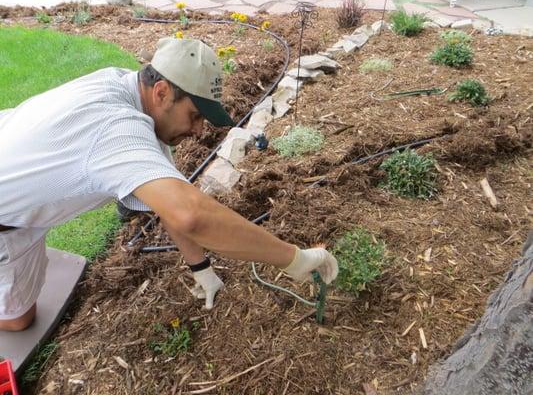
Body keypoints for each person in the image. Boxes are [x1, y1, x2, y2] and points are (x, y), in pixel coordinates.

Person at [0, 38, 338, 332]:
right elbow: (191, 215)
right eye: (195, 115)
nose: (199, 131)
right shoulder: (118, 130)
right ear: (162, 92)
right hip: (6, 218)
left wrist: (200, 268)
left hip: (13, 168)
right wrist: (292, 259)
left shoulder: (125, 87)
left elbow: (170, 201)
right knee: (17, 321)